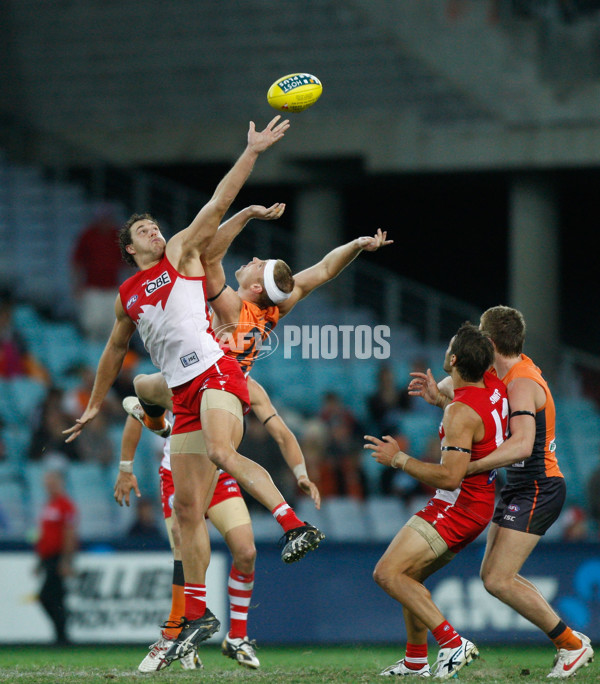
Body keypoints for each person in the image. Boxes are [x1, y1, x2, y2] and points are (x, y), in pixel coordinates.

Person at [63, 117, 324, 668]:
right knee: (185, 512)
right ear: (129, 247)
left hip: (215, 371)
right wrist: (91, 404)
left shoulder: (182, 254)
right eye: (144, 232)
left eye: (156, 226)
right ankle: (201, 615)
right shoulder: (126, 295)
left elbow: (216, 200)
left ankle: (293, 525)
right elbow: (113, 351)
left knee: (223, 452)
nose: (156, 232)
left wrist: (250, 154)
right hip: (181, 391)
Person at [408, 306, 594, 679]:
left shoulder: (523, 382)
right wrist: (439, 397)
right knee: (493, 576)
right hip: (520, 486)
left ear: (490, 342)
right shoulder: (497, 372)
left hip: (539, 486)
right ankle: (570, 640)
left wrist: (470, 468)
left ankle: (571, 645)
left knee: (497, 579)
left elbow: (523, 445)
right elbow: (466, 403)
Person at [116, 384, 304, 672]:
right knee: (184, 550)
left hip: (219, 476)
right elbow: (136, 411)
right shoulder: (177, 375)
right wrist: (126, 468)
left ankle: (237, 638)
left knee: (246, 551)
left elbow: (281, 432)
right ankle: (177, 634)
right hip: (178, 477)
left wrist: (302, 472)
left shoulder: (241, 382)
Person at [364, 323, 509, 679]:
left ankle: (452, 642)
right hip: (476, 503)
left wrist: (398, 459)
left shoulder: (459, 413)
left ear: (454, 359)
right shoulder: (491, 387)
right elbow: (475, 422)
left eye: (448, 347)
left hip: (458, 504)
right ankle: (415, 661)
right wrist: (441, 398)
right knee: (409, 577)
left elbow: (450, 476)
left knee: (386, 573)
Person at [72, 202, 129, 341]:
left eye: (108, 218)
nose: (105, 222)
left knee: (113, 327)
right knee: (92, 325)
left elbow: (129, 263)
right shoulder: (88, 235)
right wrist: (76, 285)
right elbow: (77, 263)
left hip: (112, 289)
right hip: (93, 289)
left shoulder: (118, 237)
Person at [34, 469, 78, 645]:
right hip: (48, 558)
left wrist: (66, 560)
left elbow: (69, 534)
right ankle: (61, 636)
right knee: (56, 597)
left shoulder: (65, 505)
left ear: (60, 483)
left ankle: (62, 635)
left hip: (58, 557)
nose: (48, 486)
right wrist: (40, 561)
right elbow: (45, 535)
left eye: (51, 482)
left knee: (47, 597)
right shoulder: (49, 505)